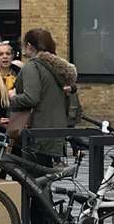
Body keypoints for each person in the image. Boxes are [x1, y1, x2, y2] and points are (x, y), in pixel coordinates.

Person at [10, 29, 76, 160]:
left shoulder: (33, 67)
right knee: (43, 176)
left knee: (29, 176)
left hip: (35, 131)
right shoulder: (56, 69)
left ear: (29, 46)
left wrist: (12, 98)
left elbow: (31, 98)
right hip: (55, 131)